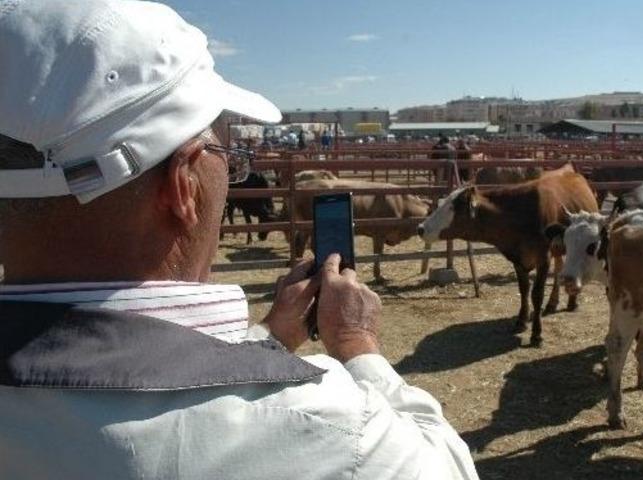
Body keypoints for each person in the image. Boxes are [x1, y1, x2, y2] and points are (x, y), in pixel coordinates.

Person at [0, 1, 478, 479]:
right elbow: (446, 467)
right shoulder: (333, 431)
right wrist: (358, 344)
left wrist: (267, 339)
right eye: (225, 153)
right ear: (183, 185)